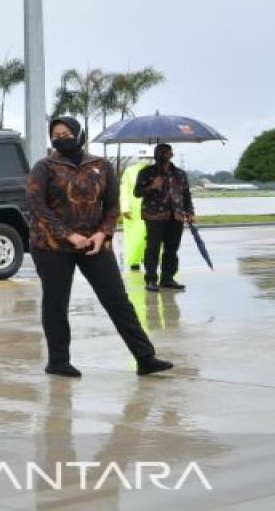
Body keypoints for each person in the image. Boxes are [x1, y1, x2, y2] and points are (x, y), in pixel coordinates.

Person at [27, 117, 175, 378]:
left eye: (66, 133)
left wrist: (102, 233)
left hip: (95, 243)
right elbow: (37, 207)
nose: (61, 138)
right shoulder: (45, 167)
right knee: (56, 302)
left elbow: (112, 205)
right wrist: (68, 235)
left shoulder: (101, 165)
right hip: (51, 246)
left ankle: (145, 357)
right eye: (56, 135)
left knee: (117, 299)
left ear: (79, 134)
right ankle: (59, 361)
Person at [135, 143, 195, 291]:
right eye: (159, 153)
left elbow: (186, 194)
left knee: (172, 249)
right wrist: (152, 186)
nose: (162, 155)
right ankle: (151, 279)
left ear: (172, 155)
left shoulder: (180, 173)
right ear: (154, 155)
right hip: (154, 216)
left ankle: (168, 278)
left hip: (176, 215)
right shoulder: (146, 172)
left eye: (166, 153)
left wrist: (190, 212)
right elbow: (137, 192)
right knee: (153, 248)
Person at [119, 149, 152, 271]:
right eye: (145, 158)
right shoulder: (130, 171)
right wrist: (125, 208)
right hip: (134, 211)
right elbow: (125, 190)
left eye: (149, 158)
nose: (147, 160)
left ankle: (149, 260)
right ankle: (134, 260)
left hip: (153, 210)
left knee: (152, 237)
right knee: (135, 237)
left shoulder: (158, 171)